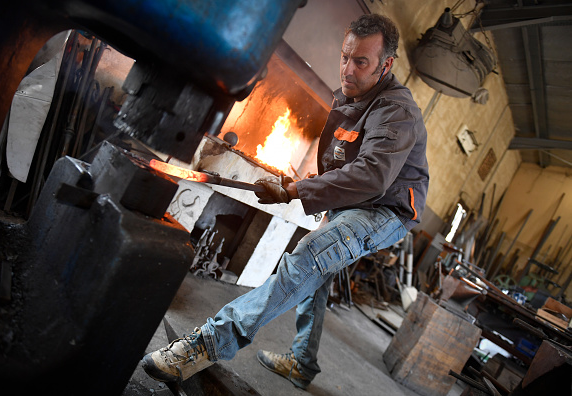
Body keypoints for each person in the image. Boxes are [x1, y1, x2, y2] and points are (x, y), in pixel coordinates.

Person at [141, 13, 429, 389]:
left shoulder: (397, 110)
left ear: (386, 65)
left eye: (361, 62)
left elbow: (372, 175)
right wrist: (301, 183)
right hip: (356, 201)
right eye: (345, 57)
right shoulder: (353, 96)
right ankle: (302, 364)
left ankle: (208, 344)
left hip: (385, 210)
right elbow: (344, 162)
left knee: (309, 255)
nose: (347, 69)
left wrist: (295, 192)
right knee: (319, 271)